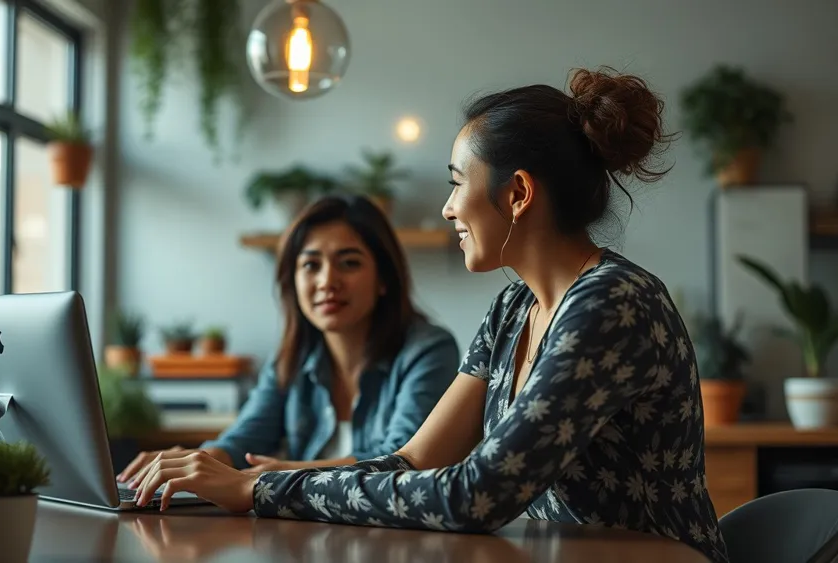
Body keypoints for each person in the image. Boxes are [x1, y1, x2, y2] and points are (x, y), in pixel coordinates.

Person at [128, 67, 730, 563]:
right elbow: (414, 460)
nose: (446, 208)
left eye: (456, 182)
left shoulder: (611, 303)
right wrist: (258, 483)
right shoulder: (512, 309)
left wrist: (261, 487)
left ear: (517, 194)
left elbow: (476, 495)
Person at [119, 194, 460, 484]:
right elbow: (242, 441)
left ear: (384, 279)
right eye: (311, 265)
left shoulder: (429, 350)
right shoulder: (291, 359)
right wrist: (198, 461)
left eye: (349, 263)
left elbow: (403, 462)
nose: (327, 281)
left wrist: (277, 476)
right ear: (292, 282)